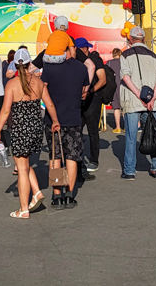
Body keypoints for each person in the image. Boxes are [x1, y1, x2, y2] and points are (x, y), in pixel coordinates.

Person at [0, 48, 61, 219]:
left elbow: (5, 110)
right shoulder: (39, 82)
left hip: (19, 128)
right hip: (35, 128)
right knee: (25, 163)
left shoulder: (12, 84)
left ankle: (24, 208)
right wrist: (55, 121)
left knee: (21, 169)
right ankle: (37, 192)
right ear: (29, 63)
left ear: (15, 65)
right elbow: (50, 104)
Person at [40, 33, 91, 208]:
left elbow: (42, 90)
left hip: (53, 119)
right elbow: (84, 91)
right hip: (73, 117)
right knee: (72, 157)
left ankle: (57, 196)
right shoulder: (81, 68)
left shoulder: (49, 68)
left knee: (55, 157)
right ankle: (69, 194)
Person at [118, 26, 156, 180]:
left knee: (131, 137)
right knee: (152, 133)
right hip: (151, 102)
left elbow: (126, 77)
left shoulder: (126, 55)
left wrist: (139, 95)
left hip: (132, 100)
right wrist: (151, 98)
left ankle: (130, 171)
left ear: (130, 39)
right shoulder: (153, 56)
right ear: (144, 39)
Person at [79, 39, 109, 172]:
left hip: (93, 100)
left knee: (92, 131)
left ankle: (93, 160)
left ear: (85, 49)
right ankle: (77, 158)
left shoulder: (95, 60)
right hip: (79, 100)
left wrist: (90, 91)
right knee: (76, 130)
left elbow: (103, 80)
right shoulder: (76, 61)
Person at [107, 48, 124, 133]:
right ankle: (126, 126)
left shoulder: (109, 63)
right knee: (124, 108)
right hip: (123, 86)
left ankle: (118, 127)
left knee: (116, 107)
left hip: (113, 87)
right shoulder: (124, 62)